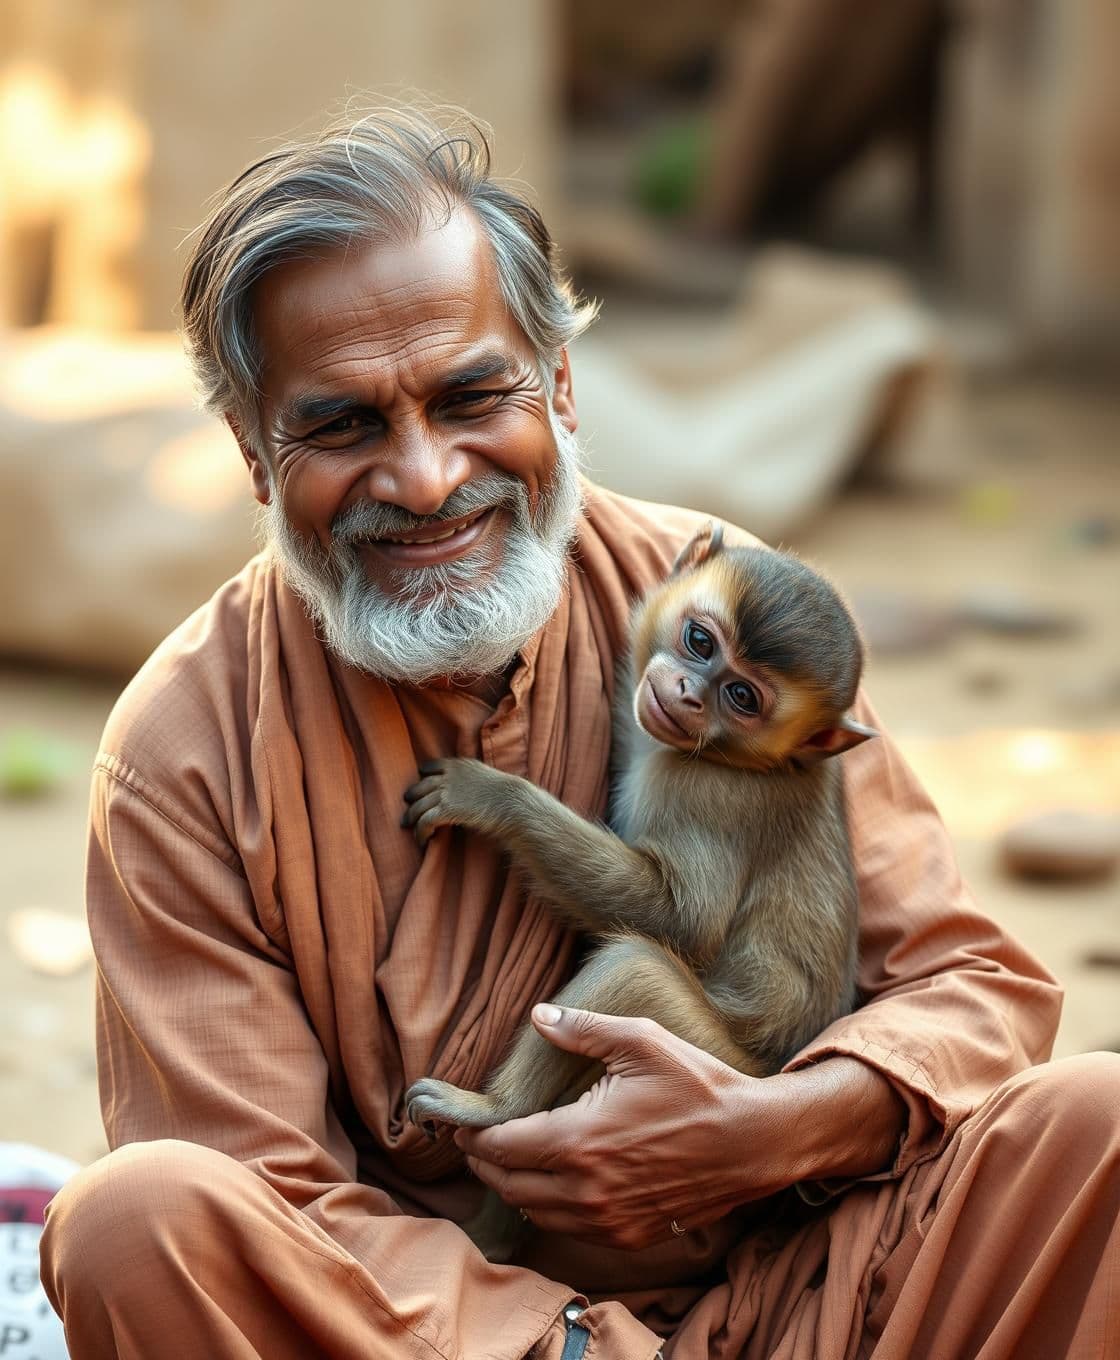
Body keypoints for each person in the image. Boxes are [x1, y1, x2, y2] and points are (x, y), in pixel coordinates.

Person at [39, 104, 1117, 1360]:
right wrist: (569, 1339)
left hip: (812, 1295)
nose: (426, 478)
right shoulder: (185, 749)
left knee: (1099, 1123)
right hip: (446, 1336)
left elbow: (972, 995)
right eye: (341, 425)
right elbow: (266, 1195)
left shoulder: (717, 602)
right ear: (251, 454)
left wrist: (778, 1130)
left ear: (555, 386)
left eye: (471, 396)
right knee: (136, 1224)